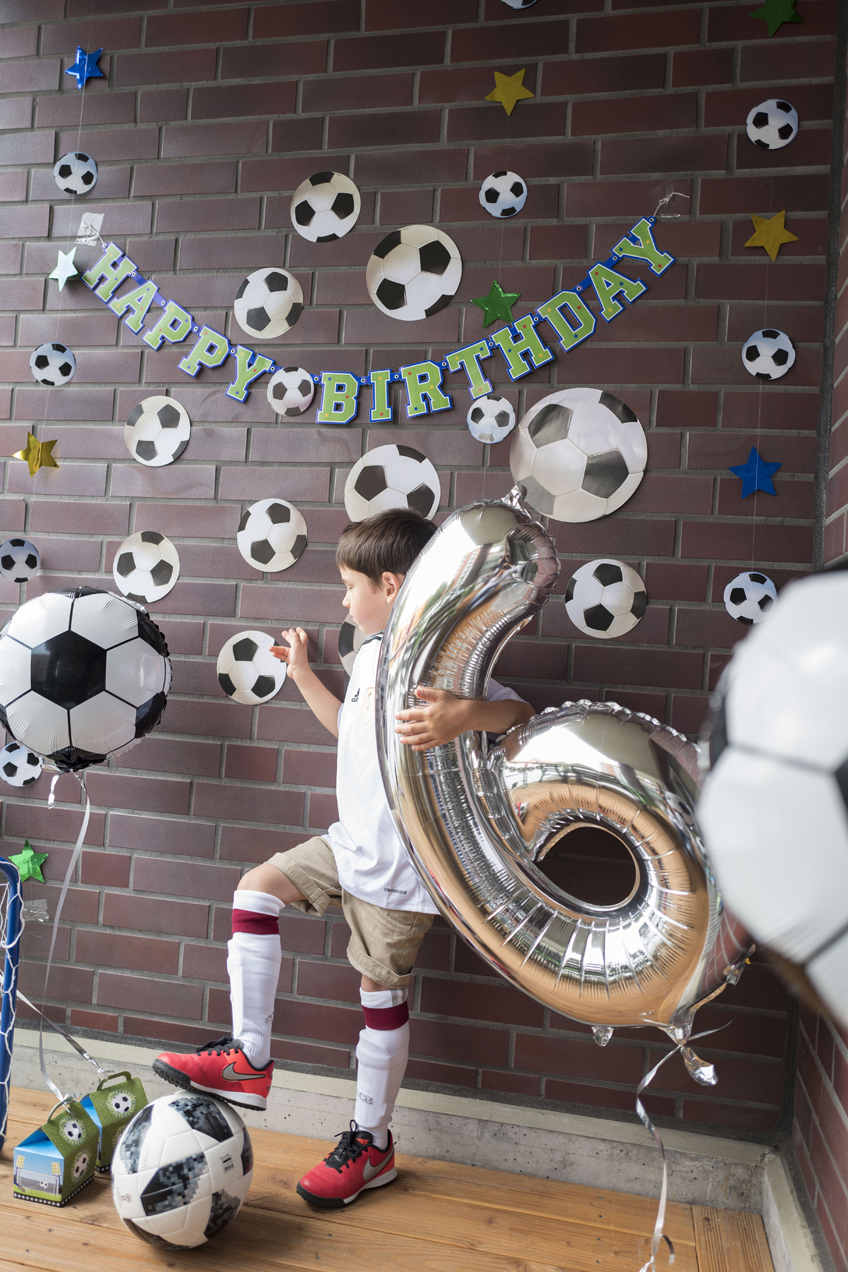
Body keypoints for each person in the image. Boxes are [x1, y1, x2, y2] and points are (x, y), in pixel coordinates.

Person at [153, 508, 535, 1207]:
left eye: (349, 584)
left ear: (390, 586)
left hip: (400, 866)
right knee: (254, 892)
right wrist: (302, 673)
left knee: (379, 997)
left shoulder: (441, 661)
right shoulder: (369, 658)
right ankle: (249, 1059)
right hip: (346, 841)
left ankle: (372, 1144)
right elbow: (347, 731)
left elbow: (519, 716)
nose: (341, 598)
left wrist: (462, 715)